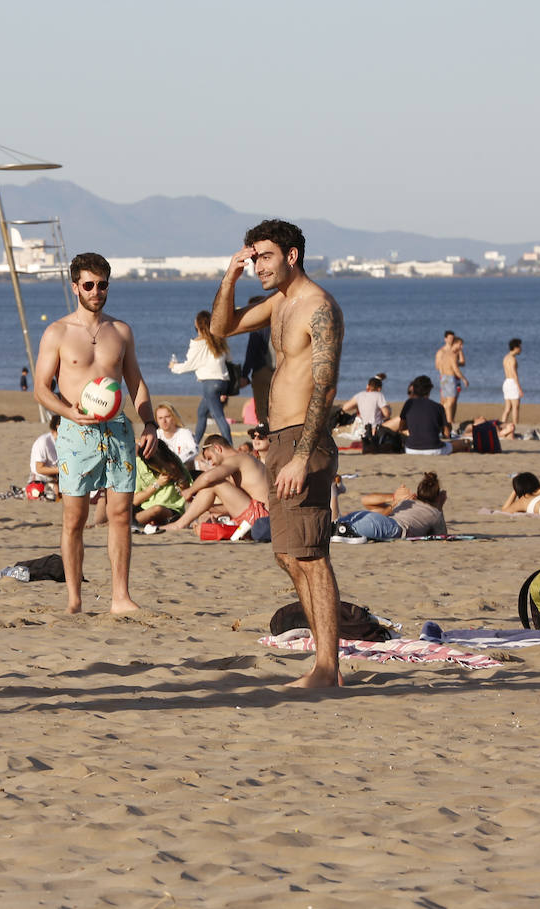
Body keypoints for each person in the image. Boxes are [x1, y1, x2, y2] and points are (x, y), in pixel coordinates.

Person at [210, 219, 343, 688]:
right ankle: (321, 661)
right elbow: (220, 327)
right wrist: (231, 275)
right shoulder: (279, 305)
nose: (257, 265)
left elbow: (325, 388)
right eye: (253, 257)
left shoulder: (318, 307)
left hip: (306, 440)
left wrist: (303, 455)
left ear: (291, 256)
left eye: (264, 256)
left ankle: (327, 668)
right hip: (281, 440)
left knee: (311, 555)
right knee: (288, 555)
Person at [34, 252, 157, 615]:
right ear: (75, 287)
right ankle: (74, 598)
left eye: (102, 285)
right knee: (75, 518)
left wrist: (149, 423)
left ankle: (121, 596)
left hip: (118, 430)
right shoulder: (57, 331)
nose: (96, 291)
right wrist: (66, 410)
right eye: (88, 285)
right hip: (75, 431)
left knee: (120, 515)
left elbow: (137, 385)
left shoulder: (120, 331)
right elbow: (41, 388)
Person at [166, 434, 270, 533]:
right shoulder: (242, 461)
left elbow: (208, 478)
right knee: (210, 498)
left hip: (261, 517)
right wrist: (206, 507)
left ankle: (179, 524)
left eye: (210, 458)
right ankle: (181, 523)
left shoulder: (238, 458)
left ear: (217, 448)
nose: (211, 463)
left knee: (215, 483)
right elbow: (233, 505)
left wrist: (190, 491)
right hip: (264, 517)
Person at [169, 309, 232, 443]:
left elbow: (190, 364)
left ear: (198, 325)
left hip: (209, 384)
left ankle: (229, 445)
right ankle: (196, 443)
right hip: (222, 382)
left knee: (218, 416)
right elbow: (229, 360)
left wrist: (174, 367)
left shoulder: (198, 343)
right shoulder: (219, 339)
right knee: (201, 412)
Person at [332, 472, 448, 541]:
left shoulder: (408, 502)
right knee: (334, 527)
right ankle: (333, 489)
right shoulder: (435, 514)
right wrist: (440, 506)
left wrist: (396, 500)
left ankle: (334, 490)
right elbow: (442, 536)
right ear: (437, 496)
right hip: (390, 526)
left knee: (330, 526)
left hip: (376, 518)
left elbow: (366, 500)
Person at [399, 375, 470, 454]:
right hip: (434, 449)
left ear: (414, 389)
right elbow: (446, 433)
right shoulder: (438, 407)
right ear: (429, 389)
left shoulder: (408, 404)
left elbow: (401, 427)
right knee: (463, 443)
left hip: (411, 449)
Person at [435, 331, 468, 428]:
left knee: (451, 401)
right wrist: (464, 379)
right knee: (448, 402)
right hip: (448, 378)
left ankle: (447, 420)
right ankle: (448, 421)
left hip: (449, 377)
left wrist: (459, 352)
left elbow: (461, 363)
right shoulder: (442, 352)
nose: (451, 340)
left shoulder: (452, 353)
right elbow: (440, 366)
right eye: (460, 345)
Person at [154, 402, 198, 466]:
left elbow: (194, 450)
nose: (164, 421)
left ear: (174, 417)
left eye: (167, 417)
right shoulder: (156, 435)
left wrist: (176, 461)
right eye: (160, 418)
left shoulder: (185, 433)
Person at [28, 414, 61, 494]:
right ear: (57, 427)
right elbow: (39, 469)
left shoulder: (67, 442)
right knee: (56, 492)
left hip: (58, 477)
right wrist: (60, 470)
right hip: (41, 478)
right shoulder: (44, 442)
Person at [500, 338, 523, 428]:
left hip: (506, 382)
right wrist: (519, 388)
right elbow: (514, 375)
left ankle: (501, 425)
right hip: (512, 383)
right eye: (520, 347)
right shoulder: (513, 359)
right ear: (516, 347)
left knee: (507, 408)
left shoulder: (505, 358)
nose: (521, 349)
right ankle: (515, 425)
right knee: (515, 407)